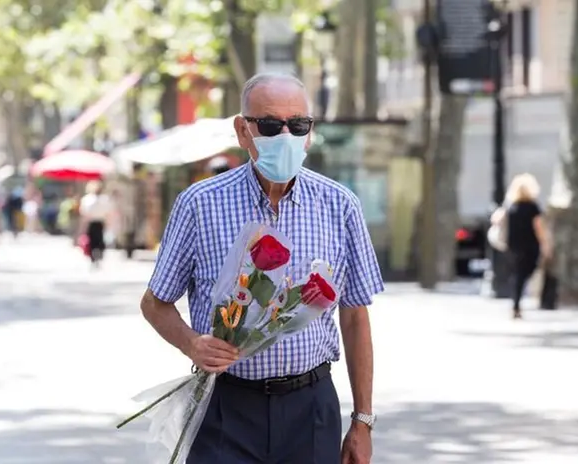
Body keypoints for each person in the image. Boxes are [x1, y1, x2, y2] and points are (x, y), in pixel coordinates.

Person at [140, 73, 383, 464]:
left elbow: (355, 317)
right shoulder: (200, 205)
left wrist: (363, 421)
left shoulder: (340, 206)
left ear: (309, 132)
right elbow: (155, 303)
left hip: (311, 408)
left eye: (298, 125)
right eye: (270, 125)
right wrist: (192, 342)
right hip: (224, 407)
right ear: (242, 130)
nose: (285, 136)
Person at [499, 173, 550, 318]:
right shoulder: (533, 207)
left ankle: (516, 304)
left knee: (518, 274)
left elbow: (499, 220)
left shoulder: (511, 207)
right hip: (529, 245)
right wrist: (545, 245)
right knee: (524, 273)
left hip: (513, 245)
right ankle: (516, 305)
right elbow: (539, 227)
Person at [79, 180, 113, 268]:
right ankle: (97, 256)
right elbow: (108, 213)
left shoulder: (87, 199)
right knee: (99, 240)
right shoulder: (104, 199)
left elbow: (84, 213)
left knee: (93, 241)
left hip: (92, 222)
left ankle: (94, 257)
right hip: (99, 222)